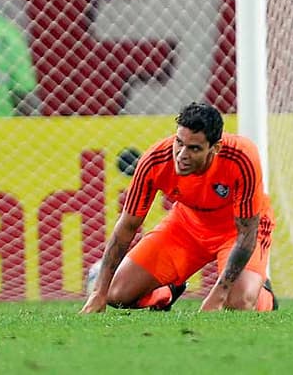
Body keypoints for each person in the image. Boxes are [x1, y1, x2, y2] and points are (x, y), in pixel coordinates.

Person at [80, 102, 277, 313]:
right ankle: (167, 291)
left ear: (215, 148)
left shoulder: (242, 157)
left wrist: (217, 296)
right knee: (116, 294)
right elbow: (127, 226)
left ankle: (264, 296)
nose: (182, 155)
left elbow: (247, 233)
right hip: (187, 225)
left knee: (237, 303)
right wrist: (98, 294)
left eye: (194, 148)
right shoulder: (155, 161)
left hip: (236, 232)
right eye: (179, 143)